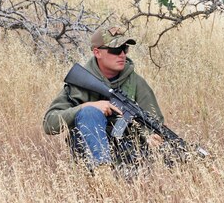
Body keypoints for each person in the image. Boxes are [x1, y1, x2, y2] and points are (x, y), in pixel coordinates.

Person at [43, 26, 164, 174]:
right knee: (89, 112)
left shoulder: (136, 83)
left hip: (129, 156)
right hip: (89, 158)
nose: (121, 55)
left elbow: (154, 122)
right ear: (97, 52)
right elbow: (50, 124)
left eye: (124, 49)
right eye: (115, 50)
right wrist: (87, 106)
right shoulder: (81, 83)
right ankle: (102, 171)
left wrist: (150, 136)